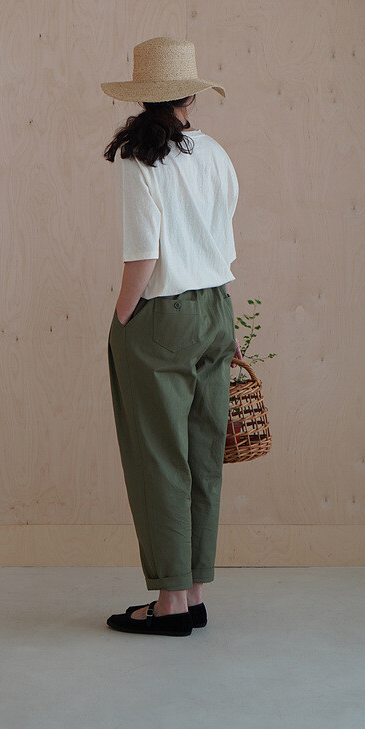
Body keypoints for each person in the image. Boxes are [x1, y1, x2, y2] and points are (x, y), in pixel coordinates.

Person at [100, 36, 242, 637]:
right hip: (217, 310)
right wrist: (225, 320)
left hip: (161, 315)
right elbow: (221, 242)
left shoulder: (140, 157)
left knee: (160, 458)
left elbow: (144, 254)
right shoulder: (215, 154)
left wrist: (121, 320)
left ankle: (169, 605)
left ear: (143, 94)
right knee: (203, 456)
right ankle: (195, 594)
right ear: (190, 93)